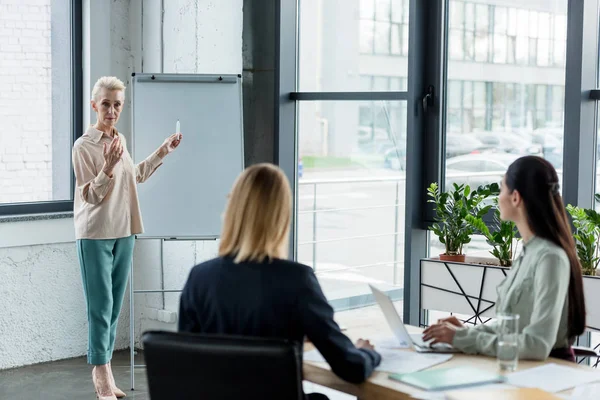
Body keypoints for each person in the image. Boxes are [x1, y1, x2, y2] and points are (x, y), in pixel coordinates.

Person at [178, 163, 381, 399]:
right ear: (281, 217)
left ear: (233, 210)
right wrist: (367, 353)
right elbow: (351, 367)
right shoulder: (298, 280)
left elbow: (187, 361)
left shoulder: (199, 278)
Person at [73, 76, 182, 399]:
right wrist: (106, 168)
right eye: (105, 104)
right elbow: (89, 195)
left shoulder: (120, 141)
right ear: (94, 105)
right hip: (95, 233)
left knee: (114, 307)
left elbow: (134, 178)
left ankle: (103, 368)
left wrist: (163, 150)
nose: (111, 110)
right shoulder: (84, 146)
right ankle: (101, 374)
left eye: (117, 104)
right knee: (100, 307)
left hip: (125, 231)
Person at [423, 156, 586, 362]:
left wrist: (464, 339)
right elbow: (510, 327)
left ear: (515, 197)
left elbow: (537, 345)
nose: (498, 197)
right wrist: (466, 332)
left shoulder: (550, 258)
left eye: (501, 189)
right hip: (519, 367)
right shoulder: (529, 252)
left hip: (545, 374)